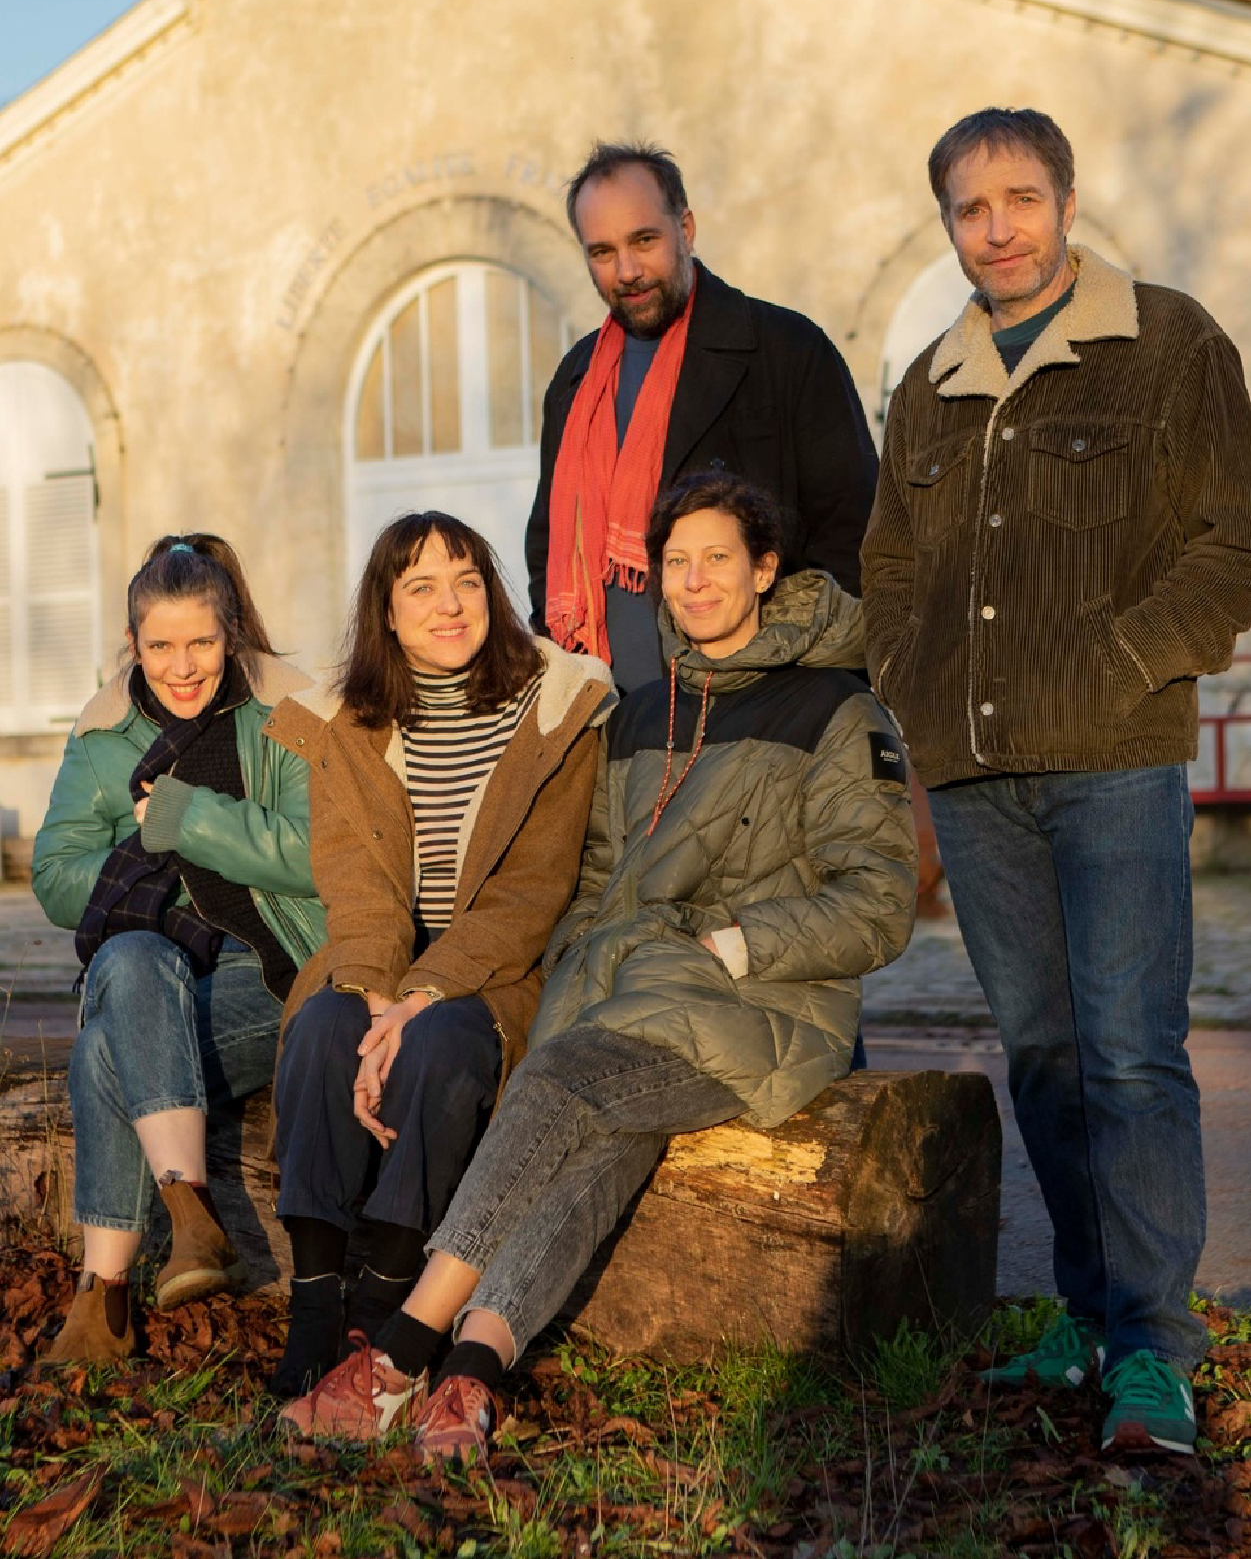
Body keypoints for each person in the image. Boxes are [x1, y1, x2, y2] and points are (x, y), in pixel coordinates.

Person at [280, 470, 917, 1451]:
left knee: (562, 1080)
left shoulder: (836, 709)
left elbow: (878, 901)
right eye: (677, 562)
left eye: (718, 558)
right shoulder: (642, 713)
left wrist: (735, 943)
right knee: (600, 1139)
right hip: (628, 1001)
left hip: (756, 1005)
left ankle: (399, 1351)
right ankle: (473, 1372)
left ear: (765, 569)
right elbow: (591, 881)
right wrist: (577, 968)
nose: (696, 581)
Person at [860, 106, 1251, 1455]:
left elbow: (1229, 541)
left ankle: (1153, 1346)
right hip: (975, 778)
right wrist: (911, 689)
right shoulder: (930, 383)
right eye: (969, 209)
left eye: (1020, 198)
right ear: (948, 226)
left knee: (1131, 1051)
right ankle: (1087, 1312)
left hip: (1113, 763)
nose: (997, 228)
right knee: (1040, 1051)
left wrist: (1128, 659)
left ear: (1066, 204)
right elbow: (889, 569)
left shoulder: (1170, 344)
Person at [262, 512, 614, 1397]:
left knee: (444, 1042)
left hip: (496, 971)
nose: (448, 604)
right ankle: (313, 1300)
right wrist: (376, 993)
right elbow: (355, 881)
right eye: (420, 586)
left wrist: (420, 997)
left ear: (491, 593)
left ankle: (384, 1294)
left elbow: (531, 891)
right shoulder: (346, 722)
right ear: (386, 610)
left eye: (466, 581)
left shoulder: (557, 708)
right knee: (323, 1025)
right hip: (376, 956)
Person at [30, 535, 325, 1363]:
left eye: (201, 641)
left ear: (230, 632)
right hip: (152, 969)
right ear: (134, 642)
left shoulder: (286, 713)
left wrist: (185, 820)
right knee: (131, 956)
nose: (182, 665)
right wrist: (157, 871)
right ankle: (191, 1217)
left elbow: (318, 854)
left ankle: (103, 1300)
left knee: (104, 1048)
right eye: (160, 645)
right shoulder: (103, 734)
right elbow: (53, 874)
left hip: (272, 967)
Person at [524, 140, 879, 695]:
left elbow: (853, 533)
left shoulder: (786, 349)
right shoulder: (575, 381)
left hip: (758, 700)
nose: (627, 270)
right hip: (608, 711)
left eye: (645, 240)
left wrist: (802, 688)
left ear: (685, 229)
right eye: (602, 252)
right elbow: (547, 550)